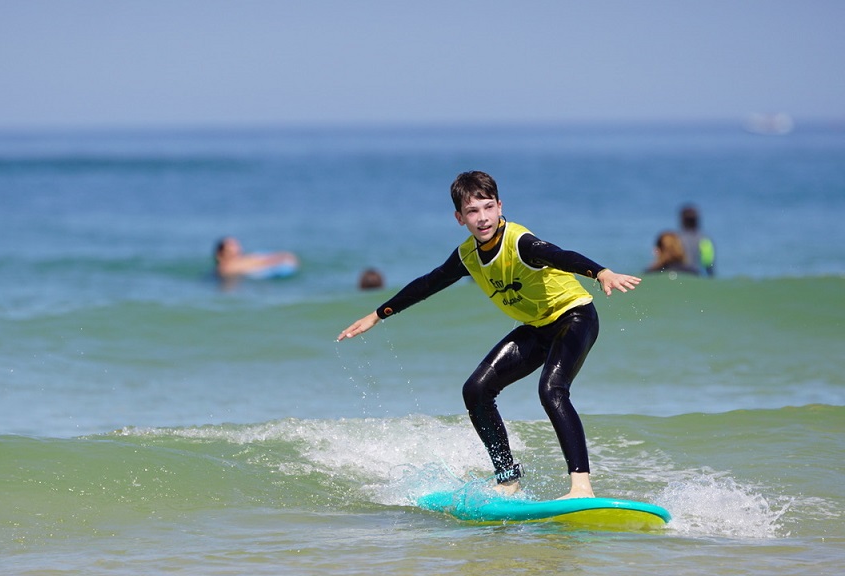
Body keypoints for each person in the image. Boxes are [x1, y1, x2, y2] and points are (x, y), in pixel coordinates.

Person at [337, 171, 641, 499]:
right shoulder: (467, 255)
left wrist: (601, 272)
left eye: (488, 207)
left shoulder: (520, 242)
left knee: (551, 390)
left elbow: (561, 255)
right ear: (459, 218)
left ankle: (581, 487)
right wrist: (377, 315)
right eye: (472, 211)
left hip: (575, 316)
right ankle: (508, 479)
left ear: (499, 206)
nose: (482, 218)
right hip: (538, 327)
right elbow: (428, 283)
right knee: (476, 390)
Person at [214, 237, 298, 279]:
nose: (237, 248)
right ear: (221, 253)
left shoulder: (219, 269)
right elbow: (262, 262)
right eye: (232, 246)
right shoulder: (233, 265)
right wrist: (284, 257)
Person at [677, 204, 715, 276]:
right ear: (697, 221)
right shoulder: (705, 240)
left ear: (682, 220)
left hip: (679, 274)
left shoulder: (675, 239)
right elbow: (708, 264)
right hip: (695, 274)